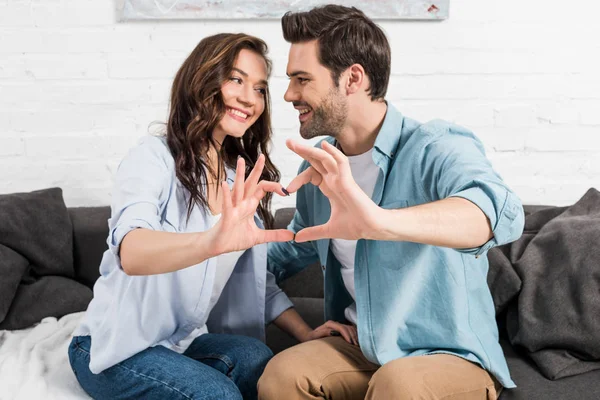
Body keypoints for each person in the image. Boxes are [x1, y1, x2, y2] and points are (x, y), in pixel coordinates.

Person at [258, 5, 525, 400]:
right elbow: (288, 247)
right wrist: (221, 244)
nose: (288, 94)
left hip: (446, 353)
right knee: (283, 376)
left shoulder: (436, 147)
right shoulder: (321, 167)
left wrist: (378, 221)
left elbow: (498, 211)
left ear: (352, 78)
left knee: (398, 384)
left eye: (301, 79)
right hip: (360, 348)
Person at [68, 33, 297, 400]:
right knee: (216, 393)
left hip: (179, 342)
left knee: (258, 358)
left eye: (259, 88)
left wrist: (307, 333)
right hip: (112, 347)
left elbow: (259, 284)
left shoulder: (238, 180)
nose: (249, 98)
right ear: (203, 80)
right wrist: (209, 242)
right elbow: (132, 249)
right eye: (236, 79)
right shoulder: (153, 157)